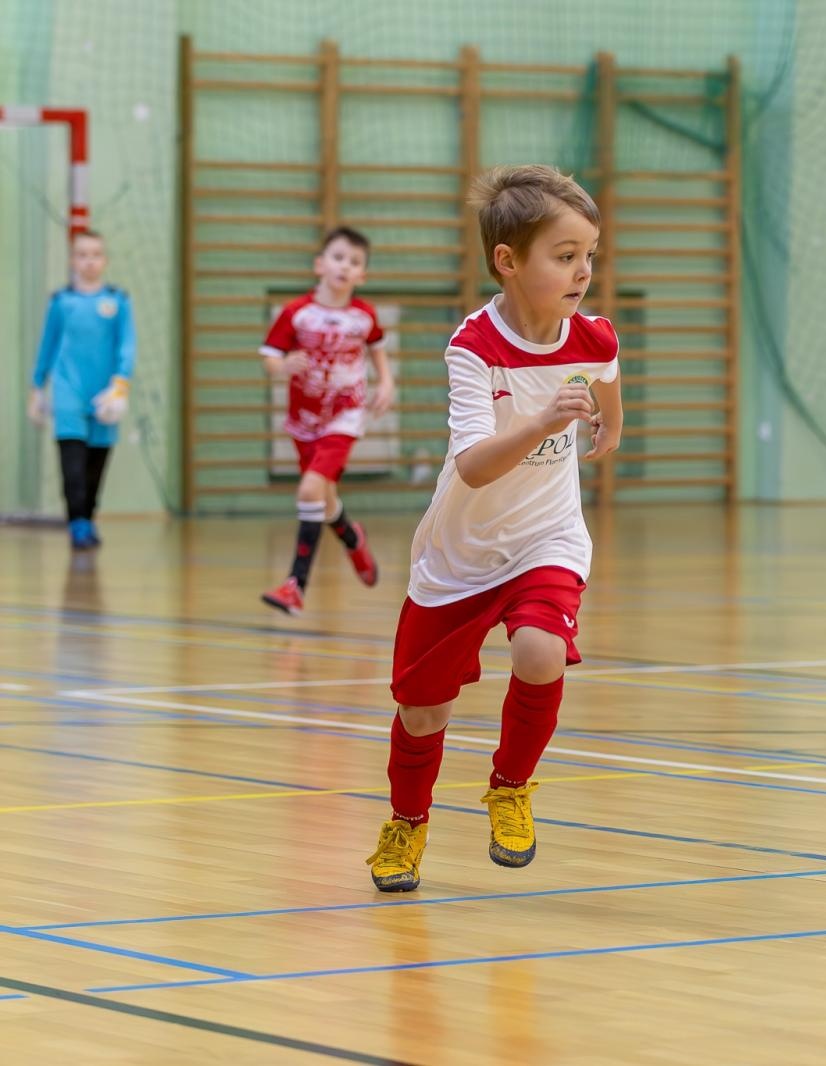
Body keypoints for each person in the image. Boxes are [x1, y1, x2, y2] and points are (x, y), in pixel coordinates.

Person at [365, 165, 622, 892]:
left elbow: (607, 375)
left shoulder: (593, 335)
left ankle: (510, 786)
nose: (583, 271)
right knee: (424, 712)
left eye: (589, 254)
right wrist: (541, 421)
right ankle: (407, 824)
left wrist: (611, 425)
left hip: (547, 538)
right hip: (462, 551)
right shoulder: (473, 346)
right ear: (508, 261)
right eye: (565, 256)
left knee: (541, 652)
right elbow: (474, 467)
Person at [258, 226, 392, 615]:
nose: (344, 266)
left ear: (362, 275)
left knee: (308, 490)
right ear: (320, 265)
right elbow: (269, 357)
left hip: (345, 416)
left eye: (354, 262)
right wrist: (284, 365)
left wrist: (386, 382)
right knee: (323, 497)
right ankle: (352, 538)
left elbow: (377, 347)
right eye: (338, 257)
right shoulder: (296, 313)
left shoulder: (363, 316)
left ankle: (295, 585)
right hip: (305, 419)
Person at [28, 230, 136, 550]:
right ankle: (76, 524)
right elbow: (47, 345)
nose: (89, 261)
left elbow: (127, 345)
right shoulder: (61, 302)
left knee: (95, 464)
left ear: (105, 260)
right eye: (82, 255)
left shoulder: (118, 301)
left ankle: (88, 517)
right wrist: (37, 388)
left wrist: (120, 385)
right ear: (72, 260)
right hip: (67, 391)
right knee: (72, 464)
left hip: (104, 395)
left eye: (95, 255)